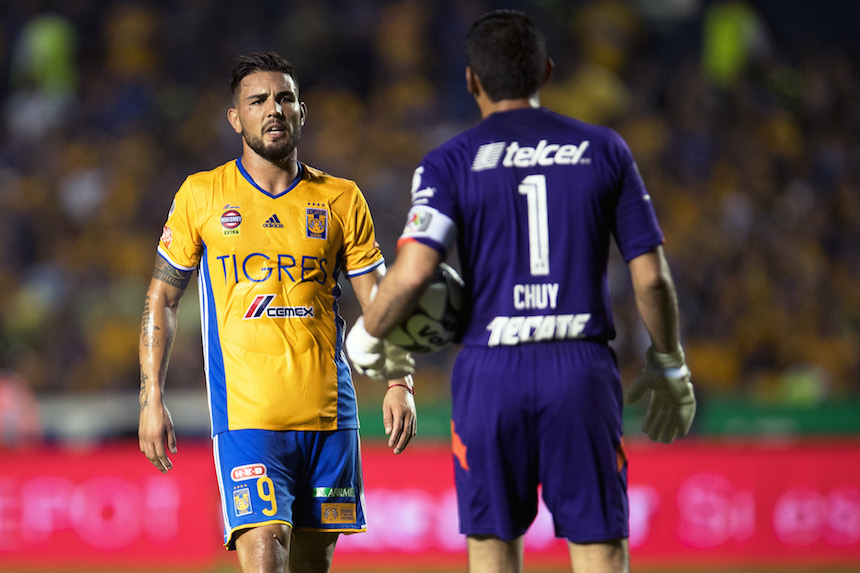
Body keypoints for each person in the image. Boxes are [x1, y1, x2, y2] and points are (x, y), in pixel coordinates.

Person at [346, 10, 695, 573]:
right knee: (600, 547)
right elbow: (651, 276)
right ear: (547, 71)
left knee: (492, 547)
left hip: (490, 372)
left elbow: (411, 274)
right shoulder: (604, 149)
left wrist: (368, 334)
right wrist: (670, 363)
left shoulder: (448, 161)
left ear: (471, 80)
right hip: (579, 368)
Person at [138, 51, 416, 573]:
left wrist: (399, 382)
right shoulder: (202, 195)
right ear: (235, 118)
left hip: (331, 419)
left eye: (284, 98)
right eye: (258, 100)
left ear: (301, 112)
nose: (273, 109)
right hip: (247, 420)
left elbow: (379, 300)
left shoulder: (341, 199)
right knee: (266, 555)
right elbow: (163, 297)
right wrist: (152, 396)